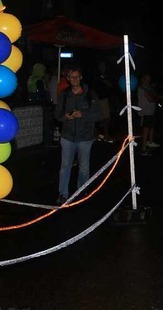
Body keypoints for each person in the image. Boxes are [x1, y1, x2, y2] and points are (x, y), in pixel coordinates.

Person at [54, 65, 101, 205]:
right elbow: (57, 114)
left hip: (85, 137)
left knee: (84, 167)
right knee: (65, 167)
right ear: (68, 79)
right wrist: (65, 117)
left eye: (76, 76)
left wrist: (82, 114)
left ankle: (81, 192)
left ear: (81, 77)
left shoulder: (90, 94)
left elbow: (98, 115)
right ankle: (63, 194)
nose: (74, 79)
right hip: (68, 137)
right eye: (71, 77)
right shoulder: (64, 94)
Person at [137, 71, 163, 155]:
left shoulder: (149, 87)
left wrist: (158, 97)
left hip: (151, 111)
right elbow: (150, 99)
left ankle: (150, 142)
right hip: (145, 112)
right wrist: (158, 98)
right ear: (142, 80)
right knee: (145, 131)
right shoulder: (141, 88)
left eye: (149, 80)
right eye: (146, 79)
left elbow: (155, 95)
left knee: (151, 127)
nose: (148, 81)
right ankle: (143, 149)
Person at [93, 61, 114, 143]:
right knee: (98, 118)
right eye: (101, 65)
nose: (103, 67)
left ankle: (105, 135)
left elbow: (110, 85)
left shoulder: (106, 75)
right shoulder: (97, 76)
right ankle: (95, 135)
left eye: (104, 65)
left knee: (106, 118)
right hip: (98, 99)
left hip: (104, 98)